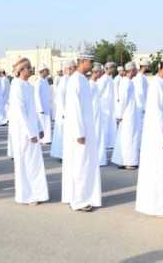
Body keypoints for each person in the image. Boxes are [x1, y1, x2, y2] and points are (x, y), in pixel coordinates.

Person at [135, 52, 163, 218]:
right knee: (162, 171)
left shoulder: (161, 83)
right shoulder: (156, 84)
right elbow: (157, 115)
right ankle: (160, 207)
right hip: (159, 138)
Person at [62, 47, 102, 212]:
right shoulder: (75, 81)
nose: (92, 65)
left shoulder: (83, 80)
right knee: (80, 166)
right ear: (83, 61)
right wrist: (79, 132)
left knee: (85, 165)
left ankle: (85, 197)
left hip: (86, 130)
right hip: (80, 133)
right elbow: (74, 109)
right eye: (90, 62)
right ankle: (78, 200)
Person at [9, 58, 49, 205]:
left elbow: (32, 111)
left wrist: (38, 128)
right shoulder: (16, 86)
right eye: (28, 68)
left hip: (32, 130)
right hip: (22, 133)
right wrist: (30, 133)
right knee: (25, 163)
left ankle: (37, 193)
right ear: (21, 71)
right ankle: (27, 195)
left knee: (34, 163)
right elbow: (20, 113)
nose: (30, 70)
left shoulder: (29, 86)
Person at [111, 62, 140, 169]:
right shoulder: (126, 82)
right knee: (129, 138)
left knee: (129, 137)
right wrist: (119, 115)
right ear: (131, 70)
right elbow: (122, 100)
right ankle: (128, 161)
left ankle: (127, 161)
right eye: (135, 70)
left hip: (130, 113)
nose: (137, 71)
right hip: (127, 115)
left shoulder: (129, 82)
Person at [50, 61, 75, 160]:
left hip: (69, 111)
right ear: (67, 69)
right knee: (62, 135)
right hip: (64, 113)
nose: (74, 70)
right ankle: (61, 155)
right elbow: (60, 98)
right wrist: (64, 112)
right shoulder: (64, 80)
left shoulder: (71, 79)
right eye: (72, 68)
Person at [89, 63, 108, 166]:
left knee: (99, 136)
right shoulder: (90, 85)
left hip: (98, 114)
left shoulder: (95, 84)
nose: (102, 74)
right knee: (96, 136)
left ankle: (99, 159)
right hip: (93, 116)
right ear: (95, 72)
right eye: (100, 72)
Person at [99, 62, 117, 149]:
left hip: (110, 105)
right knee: (105, 126)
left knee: (110, 125)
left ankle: (110, 143)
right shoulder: (103, 79)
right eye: (113, 68)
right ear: (108, 68)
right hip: (104, 107)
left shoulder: (110, 78)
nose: (114, 70)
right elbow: (99, 93)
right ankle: (105, 143)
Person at [34, 64, 52, 145]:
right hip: (41, 107)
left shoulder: (45, 81)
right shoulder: (38, 82)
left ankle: (47, 139)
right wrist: (40, 108)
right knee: (42, 124)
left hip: (47, 106)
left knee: (47, 123)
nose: (48, 72)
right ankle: (42, 139)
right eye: (46, 70)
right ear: (43, 71)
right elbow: (37, 96)